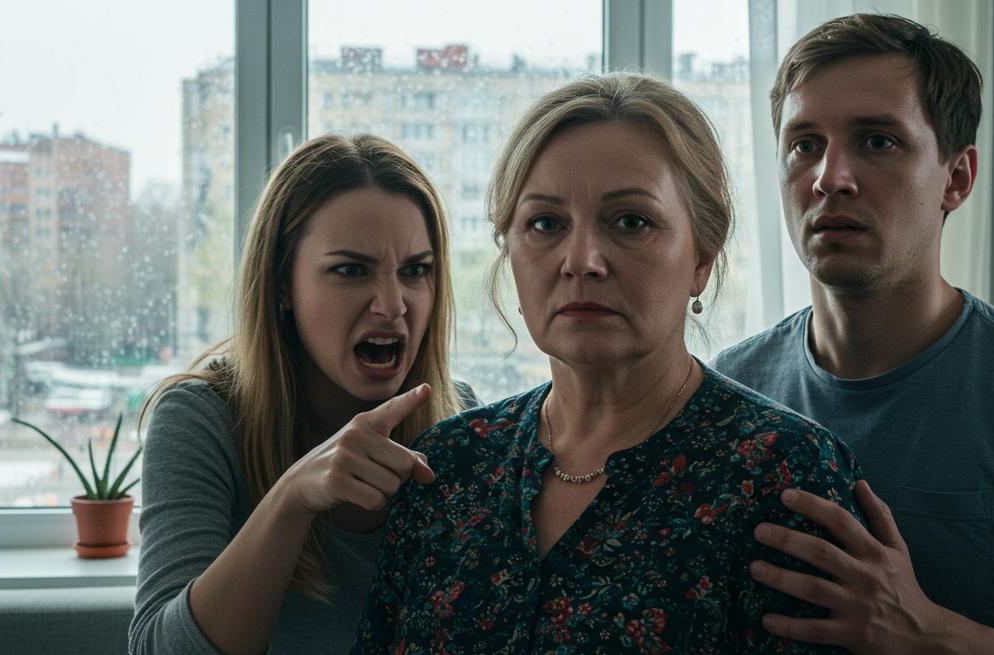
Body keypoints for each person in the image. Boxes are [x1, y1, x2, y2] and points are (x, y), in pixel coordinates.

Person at [710, 13, 994, 654]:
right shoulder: (729, 388)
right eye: (805, 144)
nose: (829, 178)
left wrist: (927, 635)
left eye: (877, 141)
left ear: (955, 179)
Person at [351, 73, 863, 653]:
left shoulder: (786, 475)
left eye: (631, 222)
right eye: (545, 224)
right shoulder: (446, 467)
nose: (582, 261)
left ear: (702, 258)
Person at [129, 134, 479, 655]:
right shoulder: (200, 419)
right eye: (350, 270)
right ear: (280, 285)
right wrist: (293, 499)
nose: (392, 305)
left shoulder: (458, 417)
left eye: (415, 271)